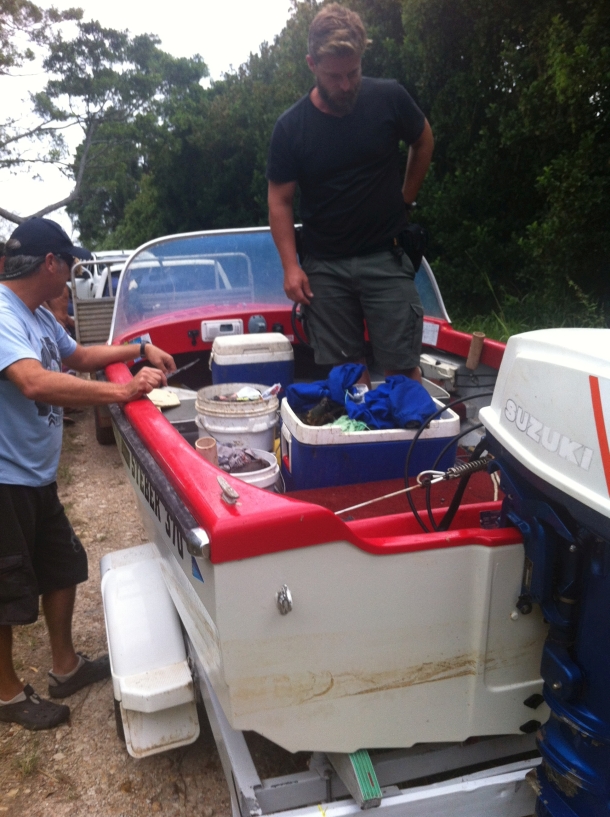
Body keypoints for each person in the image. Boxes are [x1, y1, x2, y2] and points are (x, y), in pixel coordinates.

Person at [0, 217, 176, 730]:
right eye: (70, 262)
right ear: (50, 263)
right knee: (7, 588)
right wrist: (122, 391)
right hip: (5, 478)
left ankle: (65, 667)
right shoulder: (4, 313)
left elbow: (77, 356)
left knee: (63, 566)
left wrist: (139, 347)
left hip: (34, 474)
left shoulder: (37, 314)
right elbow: (33, 381)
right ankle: (7, 696)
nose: (74, 273)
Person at [267, 3, 434, 386]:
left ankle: (407, 443)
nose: (345, 84)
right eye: (334, 76)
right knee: (348, 377)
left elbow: (423, 140)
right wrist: (291, 266)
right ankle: (359, 442)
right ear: (312, 64)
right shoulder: (291, 128)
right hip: (325, 267)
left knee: (403, 371)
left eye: (353, 72)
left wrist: (406, 199)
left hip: (386, 257)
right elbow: (279, 200)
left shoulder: (388, 97)